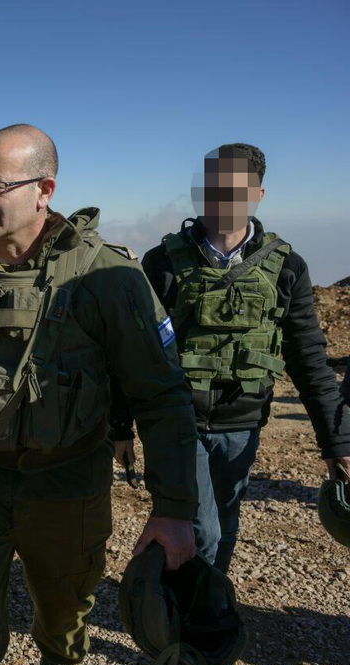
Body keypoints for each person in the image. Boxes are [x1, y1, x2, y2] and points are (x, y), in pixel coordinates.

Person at [0, 124, 199, 665]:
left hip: (67, 482)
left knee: (65, 605)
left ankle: (58, 662)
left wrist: (173, 508)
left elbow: (161, 394)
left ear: (43, 191)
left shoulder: (108, 276)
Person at [112, 143, 350, 573]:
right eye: (212, 187)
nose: (220, 198)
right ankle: (186, 609)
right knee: (201, 529)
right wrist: (119, 425)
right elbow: (132, 349)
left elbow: (308, 357)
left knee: (224, 524)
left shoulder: (286, 267)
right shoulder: (163, 262)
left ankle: (207, 598)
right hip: (176, 418)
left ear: (258, 194)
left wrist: (337, 442)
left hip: (243, 422)